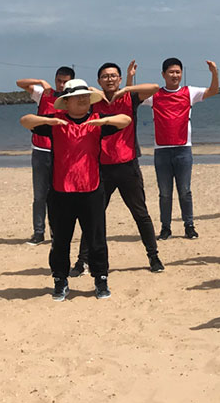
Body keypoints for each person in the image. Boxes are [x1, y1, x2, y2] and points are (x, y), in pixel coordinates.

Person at [21, 79, 131, 301]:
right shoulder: (56, 122)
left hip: (91, 189)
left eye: (85, 97)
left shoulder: (97, 120)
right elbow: (25, 120)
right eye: (77, 97)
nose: (82, 100)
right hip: (61, 191)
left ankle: (100, 279)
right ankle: (60, 280)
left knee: (96, 239)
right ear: (66, 102)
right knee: (61, 240)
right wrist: (49, 120)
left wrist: (104, 120)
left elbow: (125, 120)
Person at [67, 61, 164, 276]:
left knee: (140, 213)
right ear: (99, 80)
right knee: (93, 216)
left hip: (128, 165)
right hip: (102, 168)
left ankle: (153, 256)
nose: (109, 79)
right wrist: (96, 92)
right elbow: (78, 95)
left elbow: (155, 87)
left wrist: (126, 88)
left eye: (113, 76)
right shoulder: (93, 101)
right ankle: (82, 261)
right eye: (105, 76)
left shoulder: (130, 98)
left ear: (119, 79)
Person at [137, 58, 219, 240]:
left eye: (178, 72)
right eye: (171, 72)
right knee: (165, 193)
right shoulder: (155, 95)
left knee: (185, 191)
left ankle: (189, 226)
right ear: (163, 74)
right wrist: (130, 77)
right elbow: (132, 95)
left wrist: (214, 72)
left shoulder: (189, 92)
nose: (175, 75)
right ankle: (165, 228)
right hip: (162, 150)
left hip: (183, 150)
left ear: (182, 74)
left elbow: (213, 91)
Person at [16, 67, 75, 245]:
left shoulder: (74, 98)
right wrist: (40, 82)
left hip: (62, 151)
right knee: (40, 194)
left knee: (59, 194)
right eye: (59, 81)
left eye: (65, 81)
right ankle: (38, 232)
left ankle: (57, 232)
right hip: (41, 150)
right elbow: (20, 83)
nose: (61, 84)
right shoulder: (44, 94)